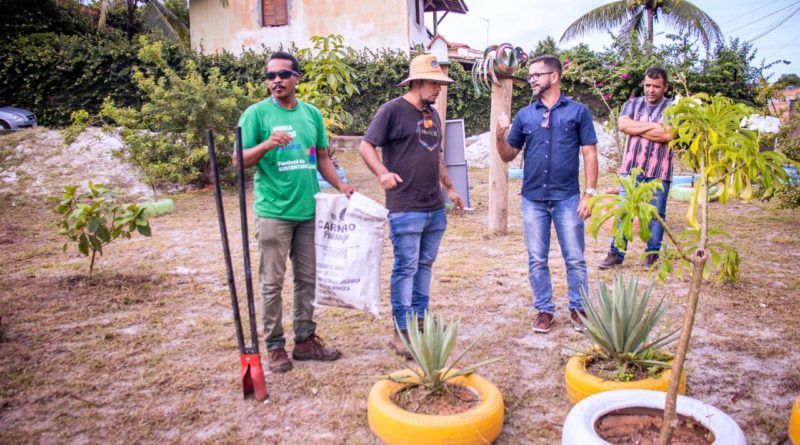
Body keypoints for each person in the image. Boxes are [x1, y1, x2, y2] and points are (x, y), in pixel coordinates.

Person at [235, 51, 355, 373]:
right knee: (272, 282)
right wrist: (266, 145)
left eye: (283, 74)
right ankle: (275, 346)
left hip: (308, 211)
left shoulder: (311, 115)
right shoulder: (256, 115)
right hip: (273, 212)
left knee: (307, 279)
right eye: (270, 76)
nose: (276, 80)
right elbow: (238, 161)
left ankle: (305, 340)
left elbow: (322, 158)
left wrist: (341, 188)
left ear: (296, 79)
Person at [359, 53, 465, 358]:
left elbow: (437, 154)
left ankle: (420, 320)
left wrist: (451, 188)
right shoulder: (392, 111)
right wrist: (382, 172)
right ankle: (401, 331)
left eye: (441, 84)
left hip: (434, 206)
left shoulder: (433, 115)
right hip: (405, 206)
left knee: (424, 266)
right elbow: (366, 145)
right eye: (434, 83)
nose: (438, 89)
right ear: (417, 81)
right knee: (405, 268)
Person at [495, 55, 598, 334]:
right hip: (533, 200)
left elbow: (589, 152)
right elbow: (507, 155)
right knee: (537, 258)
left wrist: (588, 194)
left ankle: (578, 308)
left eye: (537, 75)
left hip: (568, 198)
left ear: (554, 77)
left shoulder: (578, 112)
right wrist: (499, 134)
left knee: (575, 257)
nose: (532, 80)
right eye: (530, 75)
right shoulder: (525, 115)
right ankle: (544, 309)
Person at [598, 67, 673, 271]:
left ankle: (651, 254)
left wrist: (637, 127)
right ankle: (616, 253)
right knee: (623, 211)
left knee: (656, 215)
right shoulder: (632, 104)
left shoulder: (672, 109)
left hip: (660, 171)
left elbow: (668, 135)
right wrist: (653, 127)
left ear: (665, 87)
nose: (651, 90)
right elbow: (624, 126)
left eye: (656, 86)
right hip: (630, 171)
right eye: (648, 85)